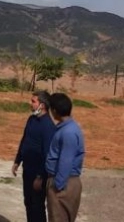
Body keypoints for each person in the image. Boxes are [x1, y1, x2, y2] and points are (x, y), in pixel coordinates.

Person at [12, 90, 56, 222]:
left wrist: (40, 176)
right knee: (28, 203)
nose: (30, 103)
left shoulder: (48, 125)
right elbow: (24, 140)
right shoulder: (31, 119)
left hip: (38, 174)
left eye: (33, 101)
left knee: (37, 206)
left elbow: (48, 154)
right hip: (27, 170)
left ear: (42, 105)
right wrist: (17, 161)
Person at [45, 93, 85, 222]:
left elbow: (66, 161)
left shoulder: (68, 132)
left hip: (63, 184)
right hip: (65, 182)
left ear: (54, 111)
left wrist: (57, 186)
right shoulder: (68, 128)